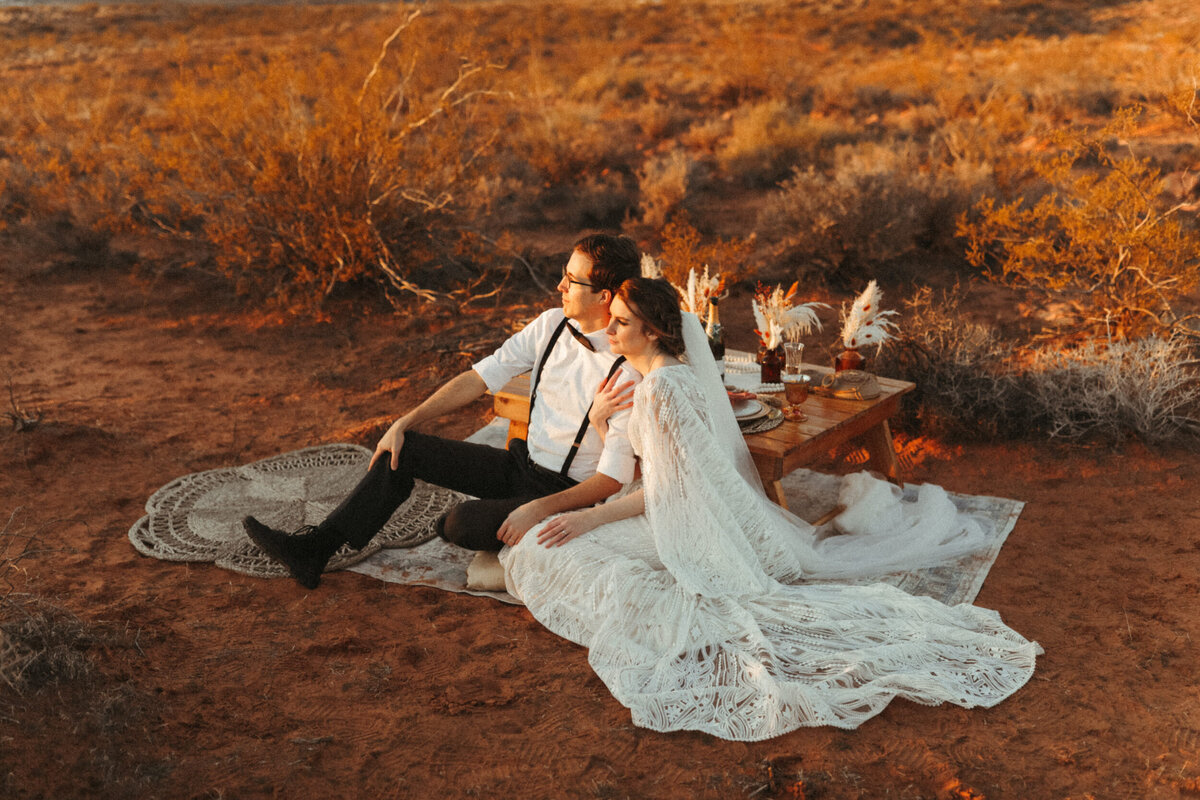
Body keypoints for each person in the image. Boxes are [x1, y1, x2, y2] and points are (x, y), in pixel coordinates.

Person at [500, 277, 1040, 740]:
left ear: (653, 332)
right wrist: (601, 429)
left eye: (620, 323)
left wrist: (589, 517)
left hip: (681, 526)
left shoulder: (660, 390)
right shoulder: (668, 379)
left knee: (560, 555)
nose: (610, 331)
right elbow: (658, 471)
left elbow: (668, 492)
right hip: (678, 512)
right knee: (554, 551)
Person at [242, 234, 643, 589]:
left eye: (571, 281)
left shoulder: (628, 366)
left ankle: (482, 525)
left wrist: (537, 509)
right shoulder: (550, 324)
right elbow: (478, 378)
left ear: (603, 297)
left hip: (565, 493)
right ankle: (316, 548)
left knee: (458, 524)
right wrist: (407, 420)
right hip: (520, 465)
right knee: (406, 449)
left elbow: (613, 479)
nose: (560, 285)